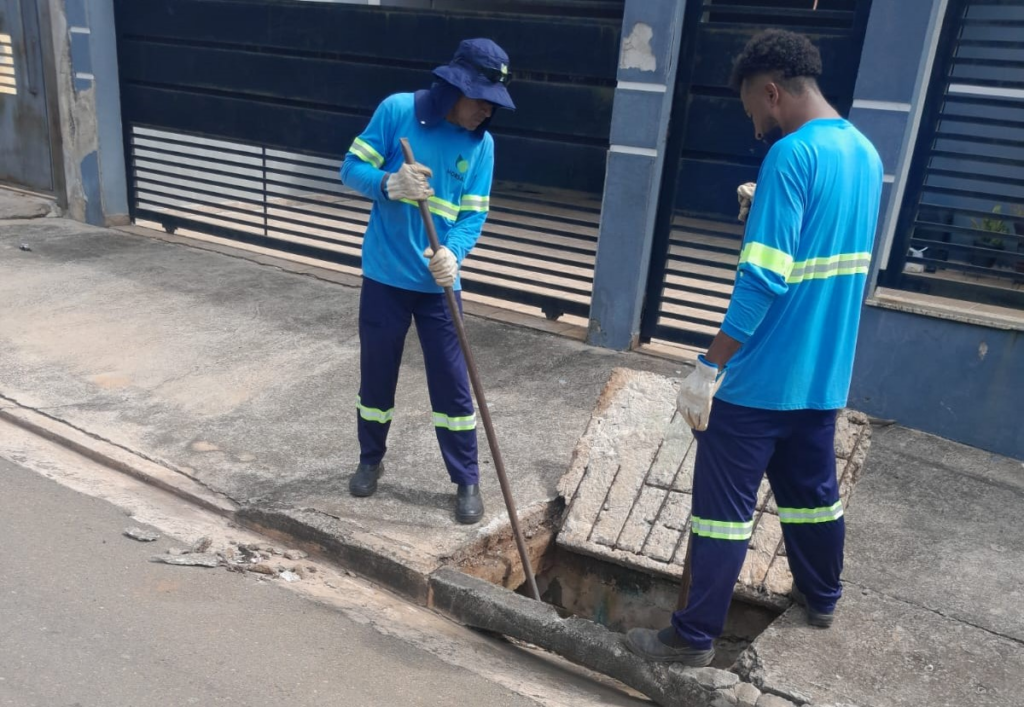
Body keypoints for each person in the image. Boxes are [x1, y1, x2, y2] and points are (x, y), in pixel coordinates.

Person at [626, 29, 883, 666]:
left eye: (752, 109)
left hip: (760, 380)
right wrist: (763, 210)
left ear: (772, 92)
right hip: (822, 377)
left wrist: (709, 364)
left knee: (721, 517)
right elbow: (823, 254)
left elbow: (763, 279)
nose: (754, 124)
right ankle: (822, 597)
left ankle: (691, 637)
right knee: (813, 498)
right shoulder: (865, 154)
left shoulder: (790, 157)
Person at [339, 39, 514, 525]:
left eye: (493, 102)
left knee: (454, 387)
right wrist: (389, 183)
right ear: (455, 88)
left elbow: (472, 217)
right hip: (385, 278)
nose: (486, 111)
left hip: (439, 286)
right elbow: (349, 169)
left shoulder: (483, 145)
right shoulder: (398, 112)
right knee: (376, 376)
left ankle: (466, 479)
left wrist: (452, 255)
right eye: (481, 99)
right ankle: (369, 460)